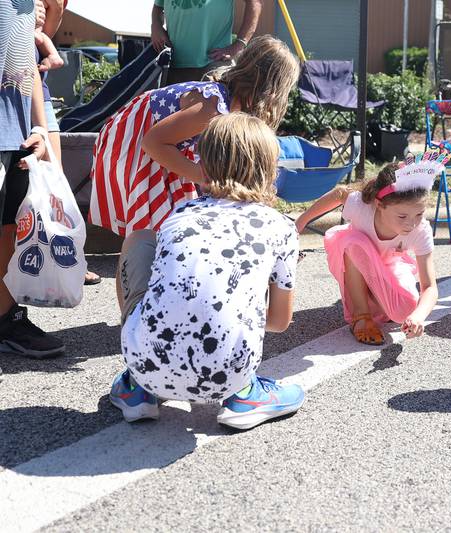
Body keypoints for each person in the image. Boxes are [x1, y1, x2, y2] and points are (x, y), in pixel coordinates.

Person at [110, 112, 305, 430]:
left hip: (147, 365)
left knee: (140, 239)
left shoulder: (181, 212)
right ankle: (245, 396)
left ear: (204, 165)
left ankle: (136, 387)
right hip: (227, 375)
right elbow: (279, 323)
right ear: (271, 169)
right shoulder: (281, 228)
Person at [89, 35, 299, 237]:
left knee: (182, 217)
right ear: (270, 90)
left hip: (164, 145)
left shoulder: (230, 107)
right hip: (136, 142)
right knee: (157, 227)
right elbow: (152, 142)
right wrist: (202, 177)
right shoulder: (213, 107)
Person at [294, 152, 445, 346]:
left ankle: (373, 299)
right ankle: (361, 316)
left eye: (419, 214)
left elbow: (430, 287)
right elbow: (340, 193)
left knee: (405, 311)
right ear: (379, 205)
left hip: (388, 265)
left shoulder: (421, 229)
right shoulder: (361, 206)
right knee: (355, 242)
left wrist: (417, 316)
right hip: (354, 257)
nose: (411, 223)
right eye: (402, 217)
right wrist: (300, 222)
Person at [0, 0, 65, 358]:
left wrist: (40, 125)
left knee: (8, 228)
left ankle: (6, 320)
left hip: (17, 131)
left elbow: (26, 60)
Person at [151, 0, 263, 84]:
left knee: (216, 113)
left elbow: (255, 3)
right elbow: (157, 7)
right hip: (174, 64)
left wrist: (239, 44)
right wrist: (156, 26)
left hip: (214, 64)